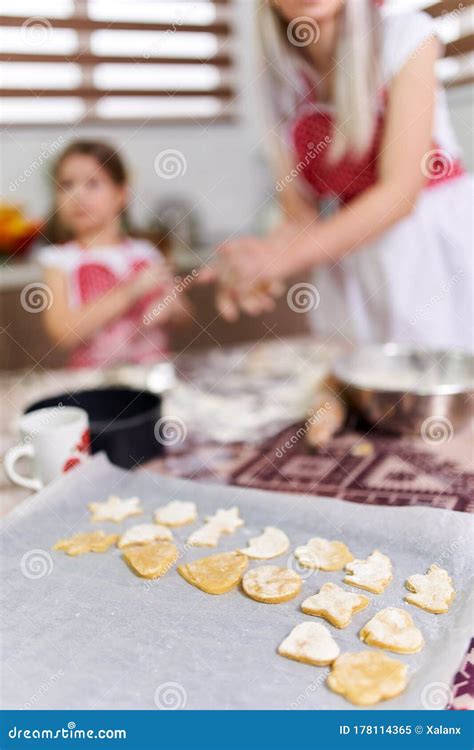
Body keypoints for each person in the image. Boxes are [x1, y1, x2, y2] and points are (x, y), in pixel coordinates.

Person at [209, 0, 473, 350]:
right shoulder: (280, 75)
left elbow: (400, 195)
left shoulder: (405, 36)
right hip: (355, 261)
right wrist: (254, 261)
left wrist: (280, 259)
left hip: (431, 258)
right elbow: (299, 212)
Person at [38, 140, 186, 368]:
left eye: (92, 183)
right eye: (66, 185)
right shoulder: (59, 260)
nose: (77, 195)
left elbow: (183, 315)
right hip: (94, 385)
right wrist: (133, 291)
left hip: (154, 375)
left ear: (121, 194)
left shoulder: (146, 253)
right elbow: (62, 334)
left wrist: (171, 307)